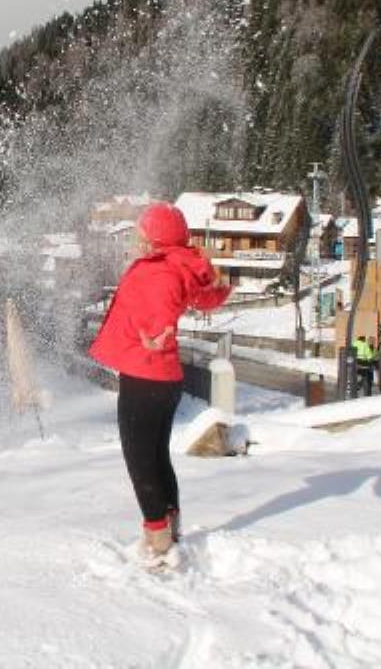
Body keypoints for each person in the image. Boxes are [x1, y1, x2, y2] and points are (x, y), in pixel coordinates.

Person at [88, 202, 232, 566]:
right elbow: (204, 297)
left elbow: (158, 311)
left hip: (145, 374)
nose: (136, 240)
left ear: (155, 238)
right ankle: (171, 524)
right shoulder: (180, 265)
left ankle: (158, 542)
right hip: (162, 378)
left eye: (141, 234)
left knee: (139, 459)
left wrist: (155, 334)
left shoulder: (159, 272)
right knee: (155, 455)